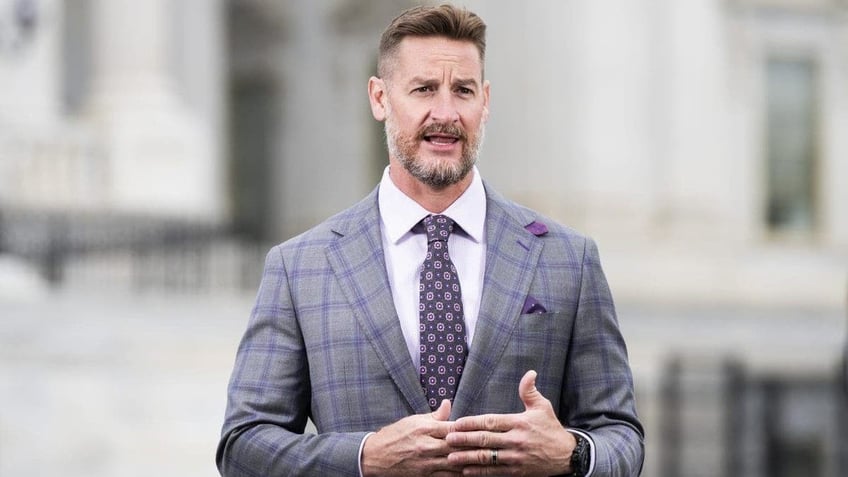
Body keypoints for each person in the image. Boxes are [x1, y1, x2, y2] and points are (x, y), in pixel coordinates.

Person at [217, 4, 644, 476]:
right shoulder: (300, 267)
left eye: (462, 91)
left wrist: (572, 452)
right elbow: (242, 447)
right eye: (423, 89)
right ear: (380, 98)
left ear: (485, 101)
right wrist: (364, 458)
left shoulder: (569, 259)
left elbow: (622, 437)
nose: (445, 113)